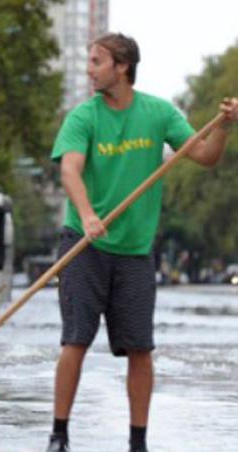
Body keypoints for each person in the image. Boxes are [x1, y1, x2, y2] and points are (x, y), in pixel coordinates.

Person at [46, 33, 238, 452]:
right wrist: (90, 215)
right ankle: (59, 435)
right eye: (89, 61)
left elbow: (205, 156)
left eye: (96, 61)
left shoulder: (158, 113)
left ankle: (138, 442)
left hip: (134, 252)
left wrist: (223, 127)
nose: (89, 69)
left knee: (140, 349)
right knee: (75, 339)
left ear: (122, 67)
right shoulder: (83, 117)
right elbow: (70, 173)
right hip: (84, 243)